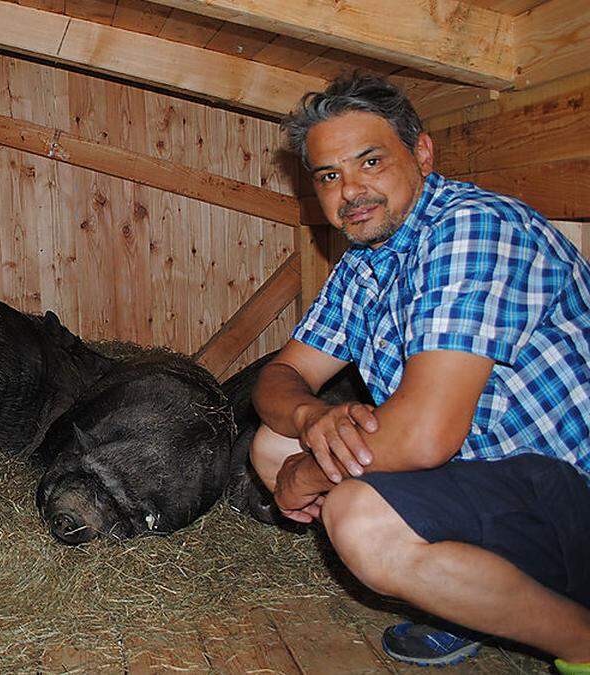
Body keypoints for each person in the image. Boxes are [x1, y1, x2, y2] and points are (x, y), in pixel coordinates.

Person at [250, 72, 590, 671]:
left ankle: (580, 641)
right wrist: (312, 415)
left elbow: (425, 435)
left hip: (571, 493)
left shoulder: (471, 228)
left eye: (370, 161)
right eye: (329, 175)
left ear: (422, 154)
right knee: (273, 440)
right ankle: (473, 602)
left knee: (359, 517)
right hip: (497, 479)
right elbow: (280, 377)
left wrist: (310, 472)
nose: (350, 190)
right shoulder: (368, 258)